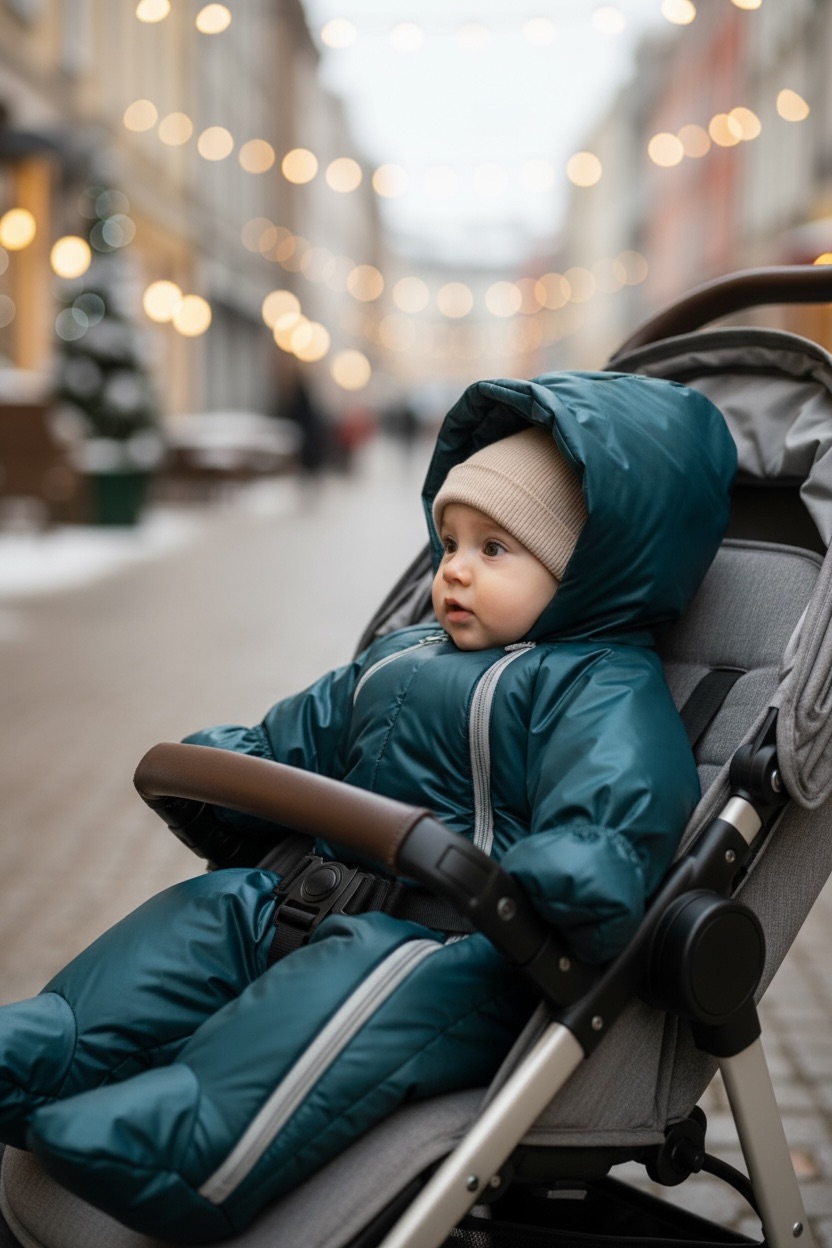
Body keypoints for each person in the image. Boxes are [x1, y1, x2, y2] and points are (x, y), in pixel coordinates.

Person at [0, 371, 737, 1242]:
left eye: (494, 549)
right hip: (311, 893)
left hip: (458, 944)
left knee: (347, 992)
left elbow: (621, 799)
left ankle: (189, 1144)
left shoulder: (598, 682)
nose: (455, 570)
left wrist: (577, 868)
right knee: (208, 914)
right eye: (449, 541)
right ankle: (45, 1049)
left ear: (589, 563)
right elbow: (299, 734)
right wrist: (227, 771)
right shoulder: (404, 653)